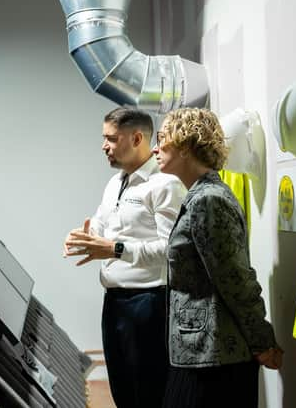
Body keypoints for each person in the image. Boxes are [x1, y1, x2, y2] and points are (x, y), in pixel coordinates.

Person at [152, 107, 283, 408]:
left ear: (186, 144)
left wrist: (263, 341)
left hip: (214, 359)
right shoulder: (200, 195)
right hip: (201, 353)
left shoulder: (208, 200)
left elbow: (236, 280)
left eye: (162, 138)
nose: (156, 148)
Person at [63, 107, 186, 408]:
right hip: (115, 303)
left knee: (150, 395)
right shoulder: (115, 183)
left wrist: (115, 249)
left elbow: (172, 250)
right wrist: (81, 236)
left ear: (137, 138)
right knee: (124, 394)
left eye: (111, 138)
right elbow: (102, 226)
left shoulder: (165, 185)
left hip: (150, 305)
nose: (104, 145)